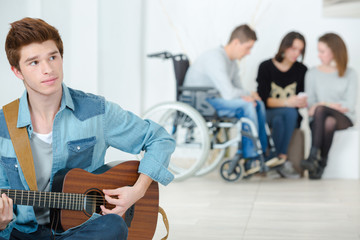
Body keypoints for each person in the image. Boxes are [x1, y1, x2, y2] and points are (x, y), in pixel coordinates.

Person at [0, 17, 175, 239]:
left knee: (112, 226)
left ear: (61, 58)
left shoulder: (96, 112)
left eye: (52, 57)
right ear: (17, 71)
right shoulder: (2, 126)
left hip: (79, 230)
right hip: (23, 233)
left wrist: (137, 191)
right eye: (34, 62)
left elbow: (160, 139)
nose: (47, 69)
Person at [183, 24, 282, 172]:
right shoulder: (215, 58)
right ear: (236, 42)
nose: (249, 53)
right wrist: (247, 95)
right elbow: (229, 93)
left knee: (257, 103)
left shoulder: (232, 63)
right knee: (247, 105)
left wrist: (251, 95)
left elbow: (238, 90)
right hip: (201, 101)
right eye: (247, 48)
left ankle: (264, 153)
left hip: (214, 99)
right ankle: (251, 158)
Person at [301, 33, 357, 179]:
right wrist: (326, 106)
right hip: (319, 119)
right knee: (327, 121)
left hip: (344, 118)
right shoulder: (312, 74)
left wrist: (323, 104)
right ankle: (321, 161)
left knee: (322, 111)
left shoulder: (350, 74)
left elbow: (349, 105)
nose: (319, 55)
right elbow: (310, 106)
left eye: (322, 51)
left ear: (334, 52)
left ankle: (312, 157)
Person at [256, 32, 308, 178]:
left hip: (289, 117)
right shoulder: (265, 67)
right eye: (293, 48)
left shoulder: (302, 70)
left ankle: (275, 160)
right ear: (284, 47)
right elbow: (264, 100)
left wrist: (301, 102)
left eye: (300, 50)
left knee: (285, 117)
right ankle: (281, 160)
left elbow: (301, 97)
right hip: (268, 113)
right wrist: (287, 102)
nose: (296, 53)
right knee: (286, 113)